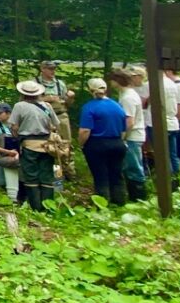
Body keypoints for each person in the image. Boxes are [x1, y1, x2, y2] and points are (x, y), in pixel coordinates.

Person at [9, 80, 60, 211]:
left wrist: (17, 136)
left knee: (31, 176)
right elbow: (56, 124)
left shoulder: (19, 106)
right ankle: (48, 207)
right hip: (48, 146)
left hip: (29, 145)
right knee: (47, 176)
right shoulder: (47, 105)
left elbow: (14, 127)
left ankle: (36, 207)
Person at [78, 77, 128, 206]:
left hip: (97, 144)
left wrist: (81, 144)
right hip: (117, 143)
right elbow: (124, 128)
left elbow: (85, 131)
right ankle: (119, 201)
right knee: (116, 174)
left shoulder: (89, 107)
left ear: (90, 90)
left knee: (100, 175)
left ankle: (102, 203)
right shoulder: (117, 106)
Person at [110, 69, 148, 201]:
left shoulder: (128, 98)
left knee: (133, 167)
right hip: (134, 135)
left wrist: (122, 136)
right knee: (131, 166)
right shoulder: (126, 94)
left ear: (117, 81)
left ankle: (139, 197)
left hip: (132, 136)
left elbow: (129, 121)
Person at [37, 60, 76, 180]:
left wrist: (70, 98)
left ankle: (69, 172)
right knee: (43, 143)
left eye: (54, 69)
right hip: (42, 116)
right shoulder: (35, 83)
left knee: (65, 143)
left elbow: (68, 104)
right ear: (42, 69)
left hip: (60, 115)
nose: (52, 71)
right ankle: (45, 172)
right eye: (50, 69)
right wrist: (46, 98)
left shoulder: (60, 84)